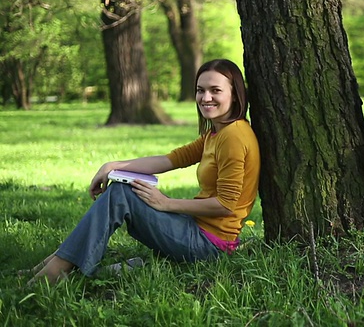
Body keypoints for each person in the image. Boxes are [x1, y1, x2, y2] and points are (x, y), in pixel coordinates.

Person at [25, 59, 260, 285]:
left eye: (215, 90)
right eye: (200, 90)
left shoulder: (234, 137)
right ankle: (59, 263)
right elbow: (172, 159)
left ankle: (56, 269)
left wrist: (167, 204)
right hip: (197, 230)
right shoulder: (217, 133)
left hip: (208, 245)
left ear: (235, 94)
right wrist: (112, 166)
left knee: (121, 194)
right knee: (122, 188)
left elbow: (226, 204)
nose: (205, 97)